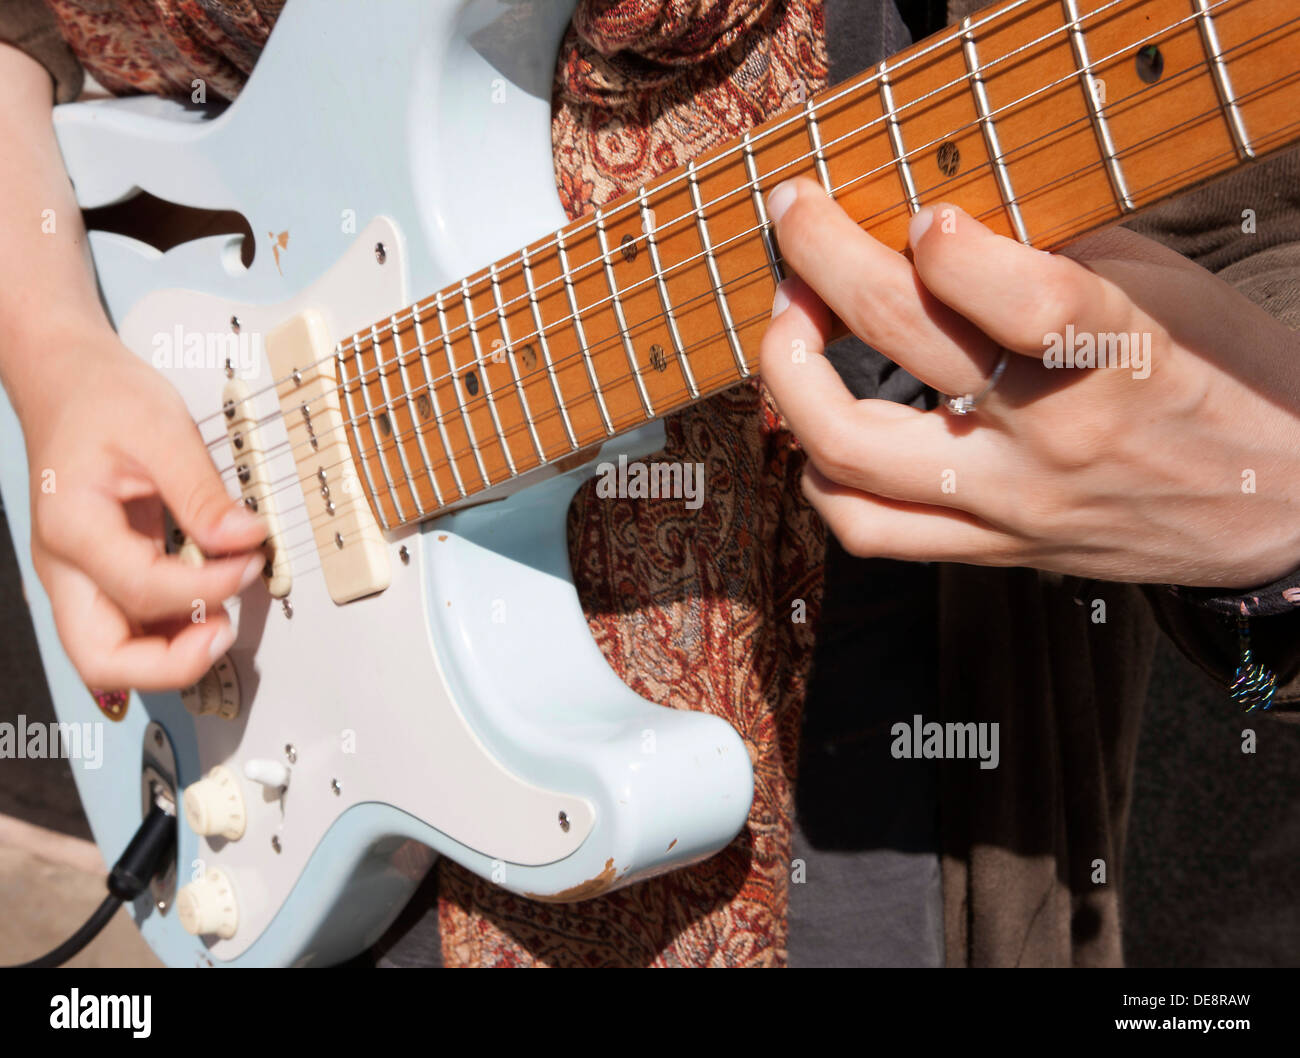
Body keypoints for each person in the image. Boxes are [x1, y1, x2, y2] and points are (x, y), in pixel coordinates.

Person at [0, 0, 1296, 967]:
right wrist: (50, 349)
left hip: (861, 825)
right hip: (286, 730)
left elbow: (1258, 696)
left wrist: (1270, 537)